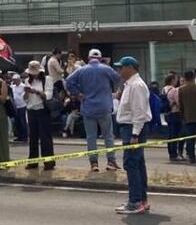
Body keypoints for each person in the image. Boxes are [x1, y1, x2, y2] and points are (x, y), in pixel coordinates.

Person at [65, 48, 121, 173]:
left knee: (91, 137)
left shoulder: (81, 70)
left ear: (88, 58)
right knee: (108, 136)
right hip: (104, 107)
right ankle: (111, 161)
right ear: (100, 58)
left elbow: (68, 82)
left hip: (88, 107)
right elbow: (117, 79)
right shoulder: (106, 68)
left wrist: (78, 93)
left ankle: (94, 163)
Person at [114, 57, 151, 215]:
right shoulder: (130, 85)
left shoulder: (136, 85)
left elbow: (139, 112)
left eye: (121, 67)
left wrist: (135, 133)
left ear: (130, 68)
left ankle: (135, 200)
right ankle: (140, 199)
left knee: (131, 164)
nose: (119, 70)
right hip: (130, 128)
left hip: (133, 129)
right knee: (137, 163)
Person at [22, 61, 54, 171]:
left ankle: (48, 162)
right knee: (33, 137)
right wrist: (26, 92)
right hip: (31, 110)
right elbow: (25, 99)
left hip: (42, 110)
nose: (33, 74)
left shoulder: (47, 80)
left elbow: (48, 95)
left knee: (45, 138)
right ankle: (33, 162)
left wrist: (36, 92)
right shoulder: (27, 81)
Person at [162, 73, 183, 161]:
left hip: (167, 114)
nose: (177, 81)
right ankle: (174, 154)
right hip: (175, 113)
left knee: (170, 134)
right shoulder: (174, 90)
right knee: (175, 135)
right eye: (175, 79)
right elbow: (178, 102)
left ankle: (171, 153)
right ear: (172, 80)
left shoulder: (163, 89)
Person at [9, 73, 28, 142]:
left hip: (22, 105)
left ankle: (24, 137)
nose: (15, 81)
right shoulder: (12, 87)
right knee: (17, 122)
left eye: (16, 80)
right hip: (15, 106)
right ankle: (19, 136)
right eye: (14, 80)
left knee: (23, 122)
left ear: (19, 80)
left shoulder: (23, 86)